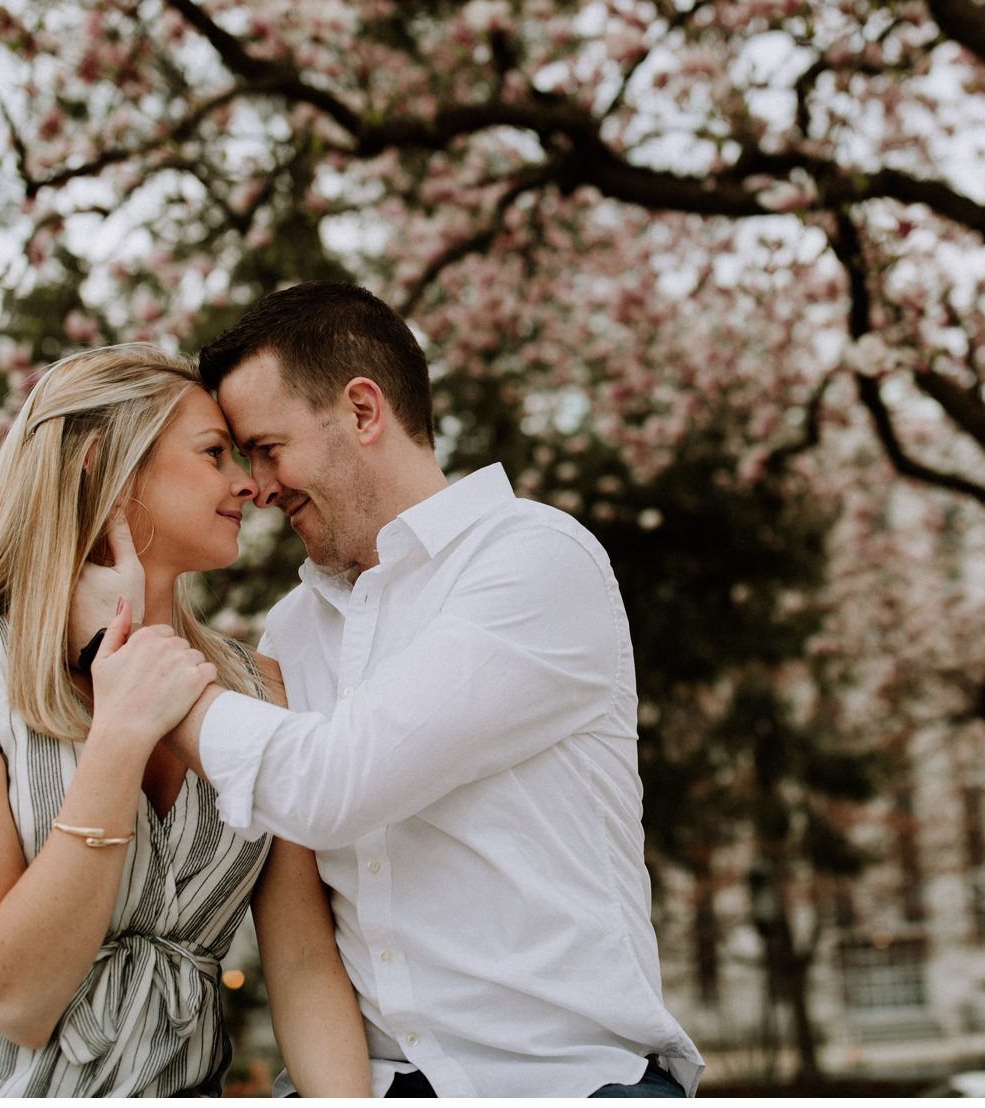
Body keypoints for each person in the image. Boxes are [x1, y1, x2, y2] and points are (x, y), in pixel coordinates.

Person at [75, 283, 703, 1097]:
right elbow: (264, 865)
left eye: (267, 446)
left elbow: (333, 784)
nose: (257, 486)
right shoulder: (294, 630)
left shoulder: (535, 560)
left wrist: (131, 667)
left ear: (363, 411)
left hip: (562, 1079)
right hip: (361, 1081)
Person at [0, 343, 370, 1097]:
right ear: (103, 465)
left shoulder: (262, 689)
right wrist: (121, 735)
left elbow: (302, 961)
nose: (247, 484)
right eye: (213, 454)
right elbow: (16, 996)